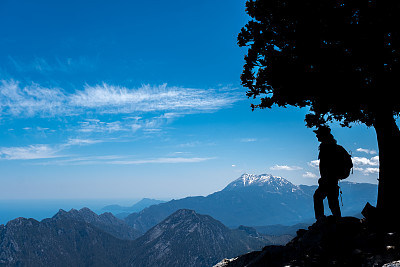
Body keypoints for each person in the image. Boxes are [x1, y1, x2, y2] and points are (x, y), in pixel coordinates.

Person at [313, 125, 342, 220]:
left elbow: (327, 165)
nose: (317, 136)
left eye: (318, 134)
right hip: (333, 180)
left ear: (323, 135)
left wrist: (324, 178)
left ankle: (320, 219)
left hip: (328, 180)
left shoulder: (326, 147)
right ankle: (338, 220)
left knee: (318, 197)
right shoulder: (332, 146)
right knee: (333, 202)